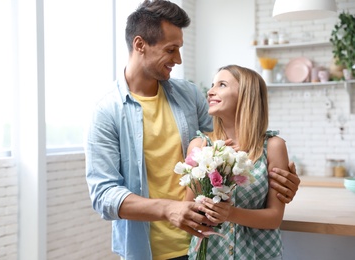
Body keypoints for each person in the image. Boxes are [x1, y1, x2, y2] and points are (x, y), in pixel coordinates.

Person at [85, 1, 300, 260]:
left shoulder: (188, 95)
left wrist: (277, 181)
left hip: (204, 245)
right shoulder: (107, 112)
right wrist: (168, 209)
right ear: (140, 45)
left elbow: (228, 150)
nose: (178, 59)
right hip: (147, 250)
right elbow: (103, 196)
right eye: (171, 49)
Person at [186, 65, 289, 259]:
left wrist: (230, 213)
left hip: (259, 253)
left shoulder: (273, 147)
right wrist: (210, 164)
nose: (210, 92)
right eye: (212, 85)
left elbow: (274, 217)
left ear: (246, 95)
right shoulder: (199, 147)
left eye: (222, 84)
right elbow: (189, 212)